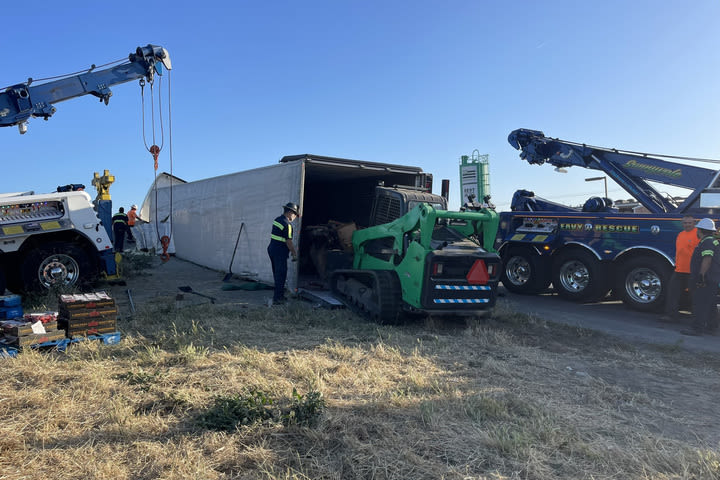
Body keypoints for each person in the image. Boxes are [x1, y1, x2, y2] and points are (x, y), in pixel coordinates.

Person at [683, 218, 720, 336]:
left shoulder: (707, 242)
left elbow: (707, 258)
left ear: (701, 230)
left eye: (698, 229)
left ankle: (697, 329)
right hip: (713, 279)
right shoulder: (713, 241)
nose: (697, 232)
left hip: (706, 279)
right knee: (711, 304)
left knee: (699, 304)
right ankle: (711, 328)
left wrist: (701, 276)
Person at [660, 215, 699, 322]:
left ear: (694, 223)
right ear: (682, 224)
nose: (687, 225)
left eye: (689, 223)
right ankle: (671, 315)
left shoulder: (698, 234)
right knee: (672, 293)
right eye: (685, 223)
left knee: (695, 296)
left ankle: (697, 318)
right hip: (679, 270)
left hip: (692, 271)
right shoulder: (680, 234)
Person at [267, 202, 300, 305]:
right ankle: (278, 299)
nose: (295, 217)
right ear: (290, 212)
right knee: (281, 275)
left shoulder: (277, 220)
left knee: (277, 274)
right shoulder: (287, 225)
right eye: (295, 214)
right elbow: (288, 241)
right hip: (280, 252)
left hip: (272, 249)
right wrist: (294, 253)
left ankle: (279, 295)